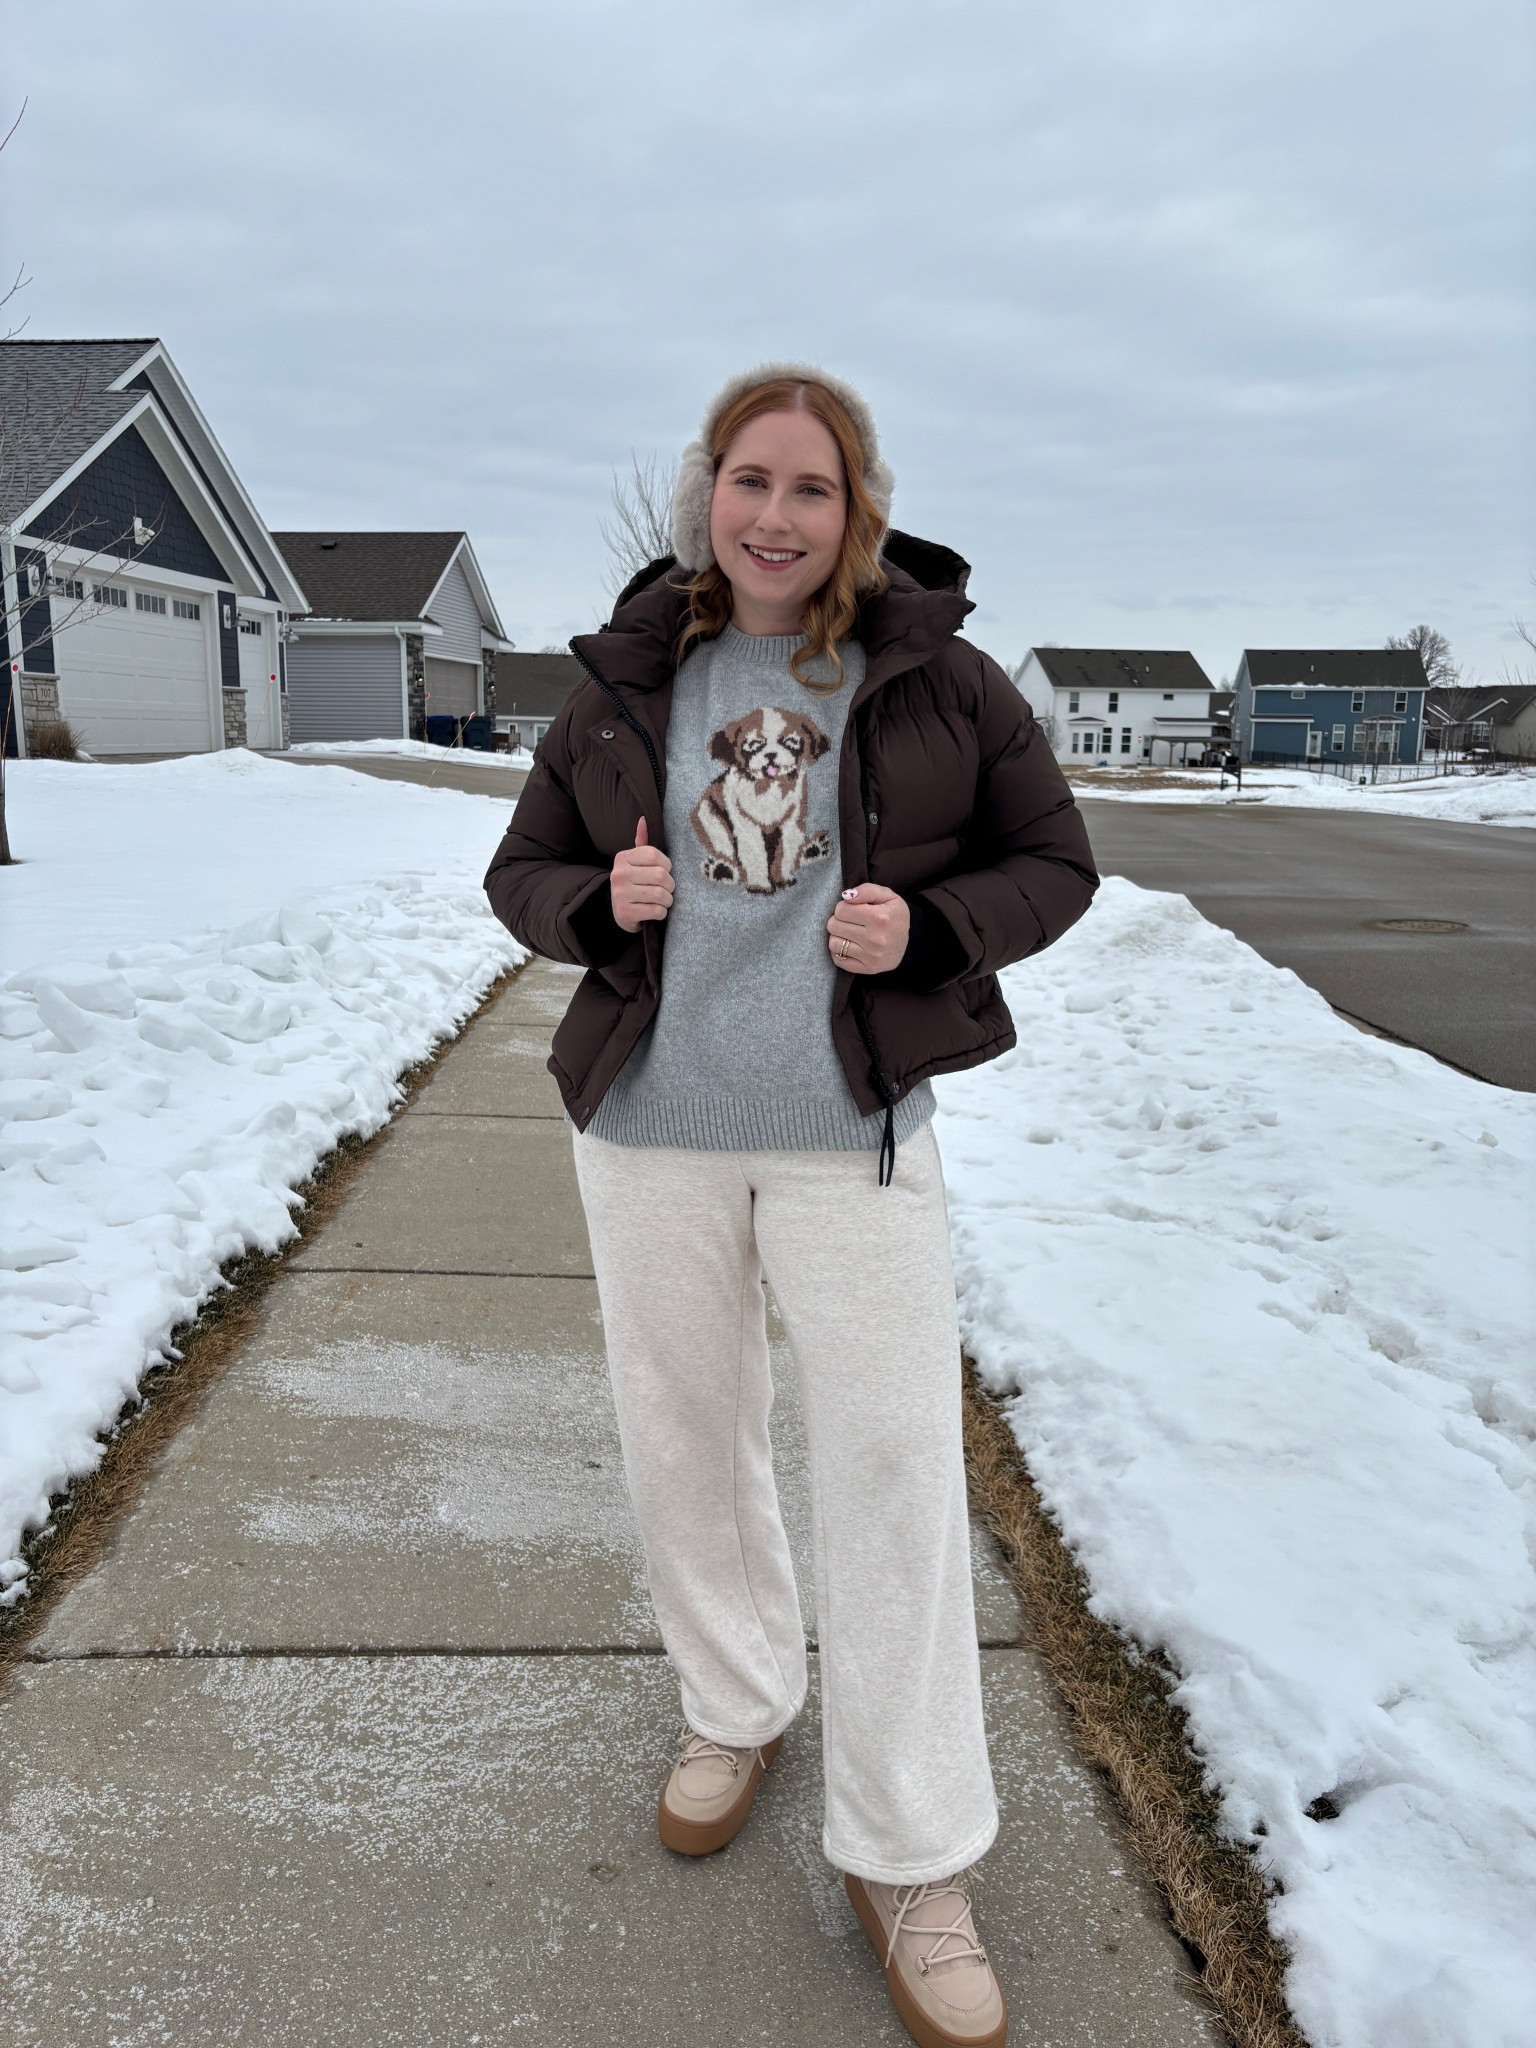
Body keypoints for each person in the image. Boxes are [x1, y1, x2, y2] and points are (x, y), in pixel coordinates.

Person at [485, 364, 1098, 2048]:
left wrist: (933, 927)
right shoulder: (630, 678)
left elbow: (1057, 862)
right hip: (651, 1131)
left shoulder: (940, 677)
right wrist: (590, 899)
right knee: (688, 1434)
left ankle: (910, 1856)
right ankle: (736, 1702)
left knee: (894, 1474)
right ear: (710, 497)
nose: (773, 515)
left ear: (859, 507)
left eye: (810, 488)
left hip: (854, 1137)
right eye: (747, 481)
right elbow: (517, 870)